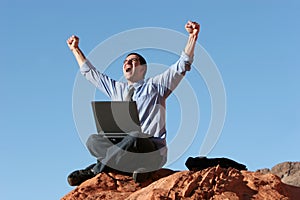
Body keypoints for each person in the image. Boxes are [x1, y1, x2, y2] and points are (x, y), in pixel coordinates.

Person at [66, 21, 200, 186]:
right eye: (124, 62)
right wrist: (75, 49)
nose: (126, 63)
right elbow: (90, 73)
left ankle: (96, 169)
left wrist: (192, 36)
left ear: (143, 68)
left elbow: (182, 65)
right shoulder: (117, 89)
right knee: (93, 140)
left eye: (132, 60)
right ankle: (130, 167)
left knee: (135, 136)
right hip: (125, 148)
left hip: (150, 149)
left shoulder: (156, 86)